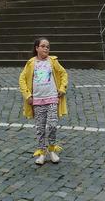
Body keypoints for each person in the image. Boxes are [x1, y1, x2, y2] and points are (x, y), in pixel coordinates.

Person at [19, 37, 68, 166]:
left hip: (52, 98)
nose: (46, 48)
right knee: (40, 128)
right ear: (37, 48)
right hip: (37, 101)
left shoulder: (53, 61)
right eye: (43, 46)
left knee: (52, 125)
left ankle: (52, 149)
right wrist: (28, 95)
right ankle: (42, 152)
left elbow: (63, 73)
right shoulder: (31, 63)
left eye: (48, 46)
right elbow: (22, 79)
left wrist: (62, 88)